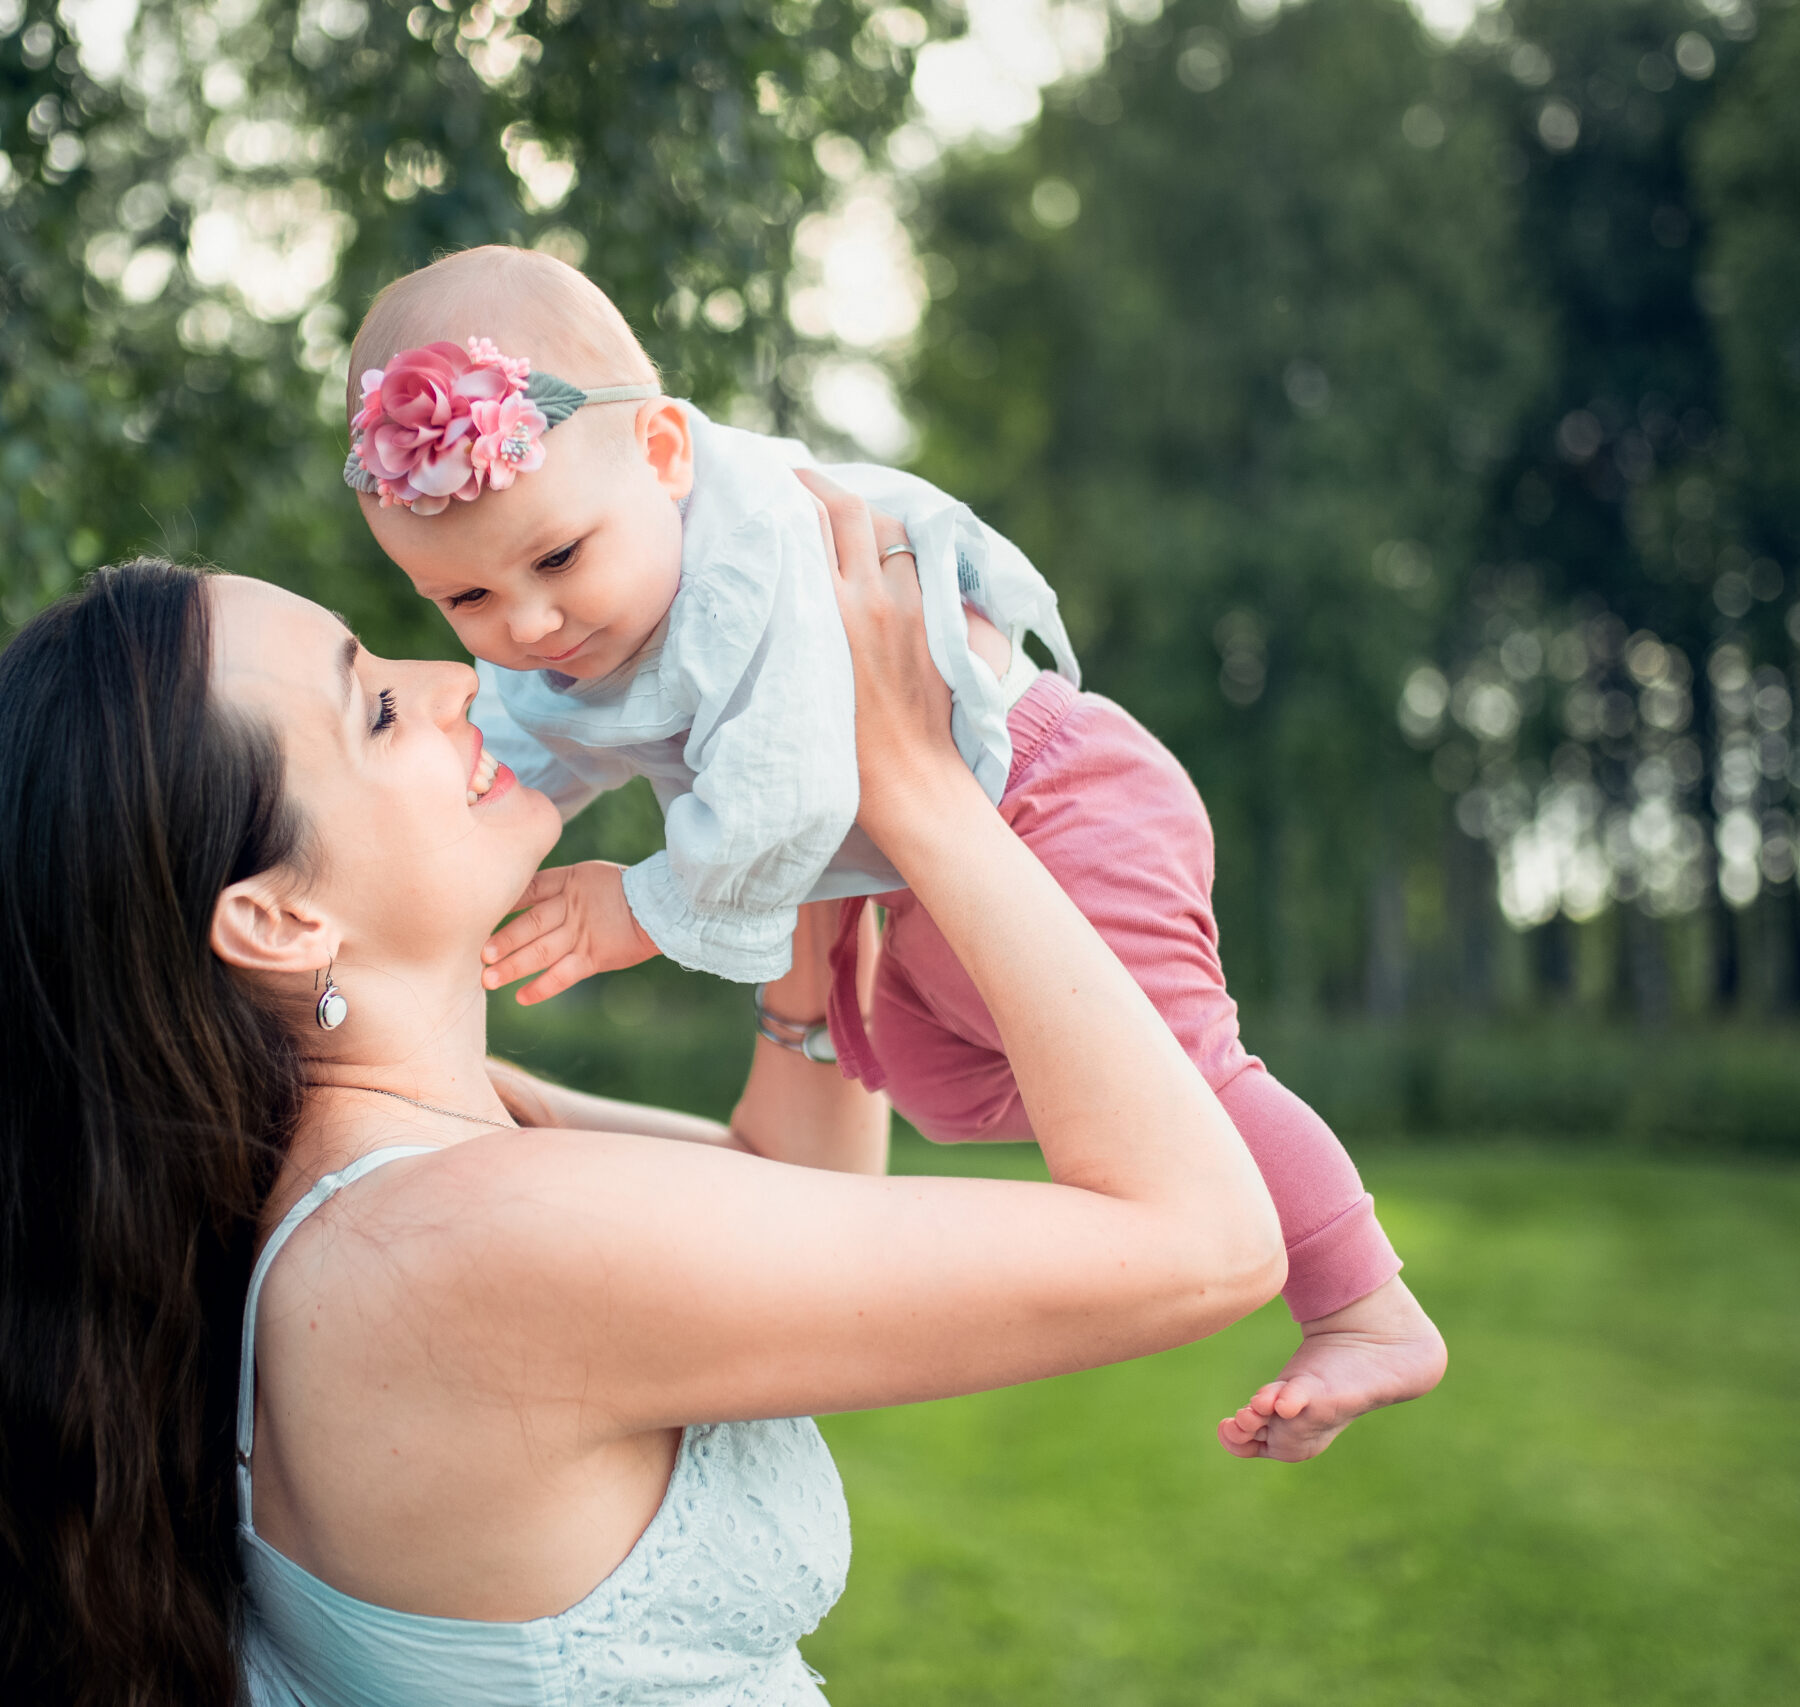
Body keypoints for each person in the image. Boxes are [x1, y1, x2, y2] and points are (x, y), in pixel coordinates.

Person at [0, 495, 1287, 1705]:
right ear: (277, 918)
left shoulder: (420, 1167)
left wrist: (798, 836)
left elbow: (787, 1195)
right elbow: (1202, 1240)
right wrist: (920, 786)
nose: (460, 679)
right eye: (377, 706)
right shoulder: (455, 1247)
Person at [342, 245, 1445, 1462]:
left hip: (1053, 799)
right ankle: (1114, 1113)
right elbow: (521, 744)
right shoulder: (583, 603)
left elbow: (787, 787)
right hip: (909, 878)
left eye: (555, 560)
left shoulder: (752, 561)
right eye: (463, 602)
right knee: (934, 1084)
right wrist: (434, 853)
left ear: (662, 454)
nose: (528, 622)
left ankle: (1363, 1307)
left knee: (1184, 1073)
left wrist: (638, 907)